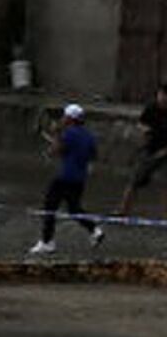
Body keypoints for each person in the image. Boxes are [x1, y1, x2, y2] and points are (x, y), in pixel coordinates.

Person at [30, 103, 105, 254]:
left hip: (65, 178)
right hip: (79, 179)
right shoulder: (88, 136)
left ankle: (47, 242)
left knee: (49, 207)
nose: (62, 118)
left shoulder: (68, 134)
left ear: (70, 118)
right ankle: (95, 230)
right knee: (74, 209)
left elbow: (53, 152)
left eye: (64, 116)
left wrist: (53, 141)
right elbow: (90, 155)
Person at [116, 82, 167, 219]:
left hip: (165, 151)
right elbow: (141, 123)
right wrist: (143, 129)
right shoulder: (151, 108)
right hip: (150, 149)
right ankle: (123, 211)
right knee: (134, 181)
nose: (162, 98)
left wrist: (164, 152)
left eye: (165, 96)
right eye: (161, 95)